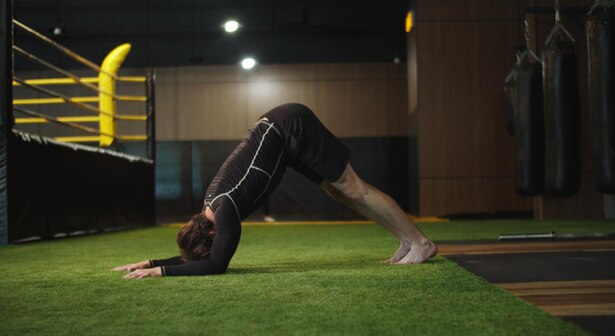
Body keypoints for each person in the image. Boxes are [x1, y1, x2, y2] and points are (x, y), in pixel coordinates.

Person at [113, 103, 437, 279]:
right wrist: (150, 260)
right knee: (338, 192)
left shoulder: (224, 213)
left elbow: (215, 265)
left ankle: (421, 243)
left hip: (291, 128)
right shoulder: (211, 210)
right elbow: (202, 257)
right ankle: (405, 240)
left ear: (211, 235)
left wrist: (161, 271)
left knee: (355, 189)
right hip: (284, 139)